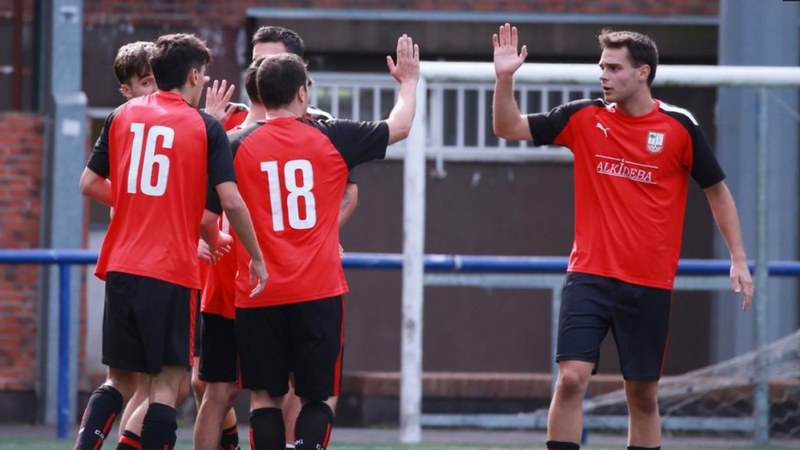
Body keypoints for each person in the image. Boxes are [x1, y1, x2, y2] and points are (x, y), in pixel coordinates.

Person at [492, 23, 754, 450]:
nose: (603, 75)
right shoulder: (582, 117)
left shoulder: (679, 127)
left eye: (614, 68)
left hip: (649, 283)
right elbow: (509, 127)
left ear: (642, 73)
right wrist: (504, 78)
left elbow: (717, 191)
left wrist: (738, 257)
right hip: (589, 275)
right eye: (602, 67)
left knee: (643, 396)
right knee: (572, 377)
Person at [76, 33, 267, 450]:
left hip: (121, 265)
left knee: (118, 382)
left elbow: (89, 183)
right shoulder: (204, 126)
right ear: (194, 74)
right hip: (171, 270)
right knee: (167, 385)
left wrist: (136, 201)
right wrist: (256, 255)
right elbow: (230, 201)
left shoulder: (122, 115)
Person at [228, 35, 418, 450]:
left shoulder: (235, 145)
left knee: (264, 397)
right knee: (318, 395)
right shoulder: (332, 136)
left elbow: (211, 208)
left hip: (259, 291)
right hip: (318, 289)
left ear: (259, 94)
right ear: (303, 92)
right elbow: (400, 125)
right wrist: (408, 81)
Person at [250, 25, 360, 448]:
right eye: (257, 60)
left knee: (296, 389)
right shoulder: (233, 129)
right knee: (213, 387)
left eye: (271, 60)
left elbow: (350, 191)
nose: (262, 68)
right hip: (244, 276)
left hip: (296, 277)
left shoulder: (323, 129)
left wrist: (320, 234)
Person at [192, 57, 266, 450]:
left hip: (272, 282)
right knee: (208, 387)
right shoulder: (222, 127)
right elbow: (203, 200)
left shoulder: (313, 125)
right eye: (259, 56)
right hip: (227, 280)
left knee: (273, 391)